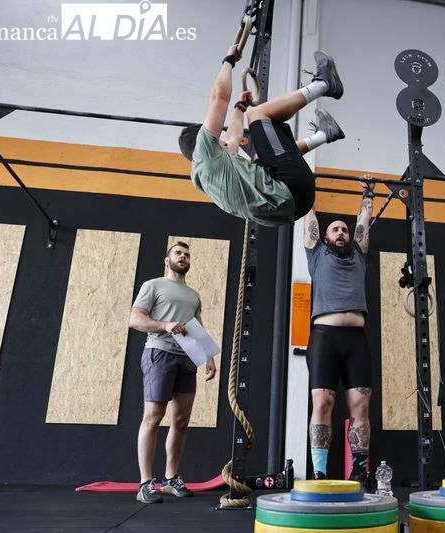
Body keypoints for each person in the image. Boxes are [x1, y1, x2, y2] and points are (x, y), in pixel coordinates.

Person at [178, 42, 345, 226]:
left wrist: (240, 107)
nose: (223, 140)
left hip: (293, 207)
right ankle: (324, 84)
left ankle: (325, 134)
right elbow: (219, 97)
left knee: (260, 157)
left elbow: (233, 139)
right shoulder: (205, 149)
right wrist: (229, 61)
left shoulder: (205, 176)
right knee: (257, 115)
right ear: (203, 140)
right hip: (291, 188)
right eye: (217, 138)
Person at [128, 241, 217, 504]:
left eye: (187, 254)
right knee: (153, 417)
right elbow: (134, 319)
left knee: (180, 421)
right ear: (167, 260)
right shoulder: (153, 285)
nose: (183, 256)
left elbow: (198, 326)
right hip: (160, 353)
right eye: (178, 253)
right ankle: (145, 484)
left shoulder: (193, 295)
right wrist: (164, 325)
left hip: (187, 359)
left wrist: (209, 356)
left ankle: (170, 479)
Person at [302, 177, 375, 482]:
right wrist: (304, 184)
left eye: (344, 229)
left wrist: (368, 193)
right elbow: (309, 215)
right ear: (325, 236)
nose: (342, 232)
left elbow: (363, 221)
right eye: (335, 229)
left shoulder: (358, 252)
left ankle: (359, 471)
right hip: (325, 337)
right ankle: (320, 471)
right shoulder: (316, 253)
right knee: (323, 402)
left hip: (356, 338)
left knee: (360, 405)